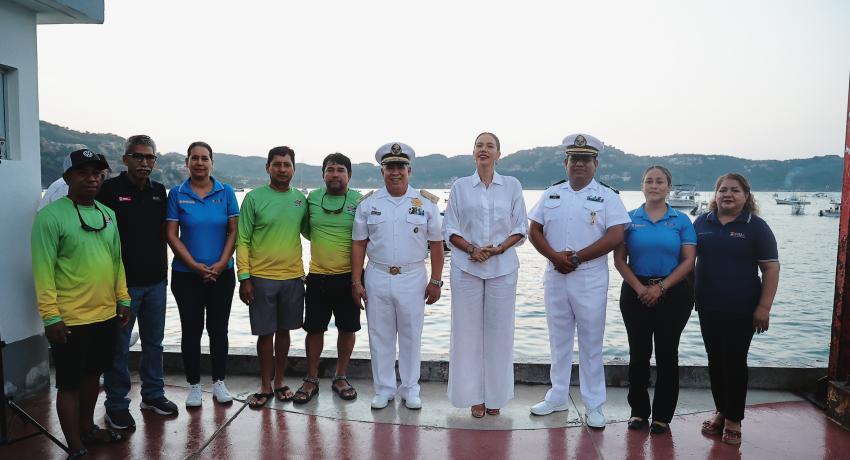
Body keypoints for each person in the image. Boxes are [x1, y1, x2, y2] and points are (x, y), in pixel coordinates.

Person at [31, 149, 131, 458]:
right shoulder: (50, 217)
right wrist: (50, 317)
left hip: (104, 315)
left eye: (97, 173)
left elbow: (116, 261)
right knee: (69, 385)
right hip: (70, 319)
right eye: (83, 172)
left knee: (93, 377)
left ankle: (88, 429)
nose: (92, 178)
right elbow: (43, 270)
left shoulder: (107, 214)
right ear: (67, 177)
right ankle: (75, 446)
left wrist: (123, 298)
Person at [527, 133, 630, 428]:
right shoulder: (551, 194)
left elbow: (616, 235)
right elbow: (535, 230)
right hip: (555, 275)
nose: (579, 165)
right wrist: (555, 257)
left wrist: (576, 258)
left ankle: (594, 404)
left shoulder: (609, 197)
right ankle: (557, 396)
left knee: (590, 342)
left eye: (586, 160)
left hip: (589, 278)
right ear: (565, 162)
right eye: (574, 159)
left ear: (595, 163)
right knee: (558, 340)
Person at [351, 142, 444, 410]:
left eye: (400, 167)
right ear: (382, 171)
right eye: (390, 167)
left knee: (411, 335)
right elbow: (359, 244)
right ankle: (383, 389)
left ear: (409, 170)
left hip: (413, 276)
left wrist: (436, 280)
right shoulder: (368, 203)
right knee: (379, 335)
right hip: (377, 274)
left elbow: (436, 244)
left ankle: (411, 389)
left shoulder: (425, 203)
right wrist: (356, 282)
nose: (395, 172)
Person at [442, 132, 527, 418]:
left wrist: (499, 248)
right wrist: (471, 249)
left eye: (490, 146)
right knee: (466, 333)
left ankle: (495, 396)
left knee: (500, 333)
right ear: (473, 152)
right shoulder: (460, 187)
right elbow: (449, 228)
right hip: (467, 267)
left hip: (502, 268)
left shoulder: (512, 186)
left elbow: (520, 227)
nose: (484, 150)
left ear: (499, 154)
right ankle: (473, 397)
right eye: (479, 145)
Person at [97, 135, 178, 429]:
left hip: (156, 282)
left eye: (150, 158)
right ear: (126, 159)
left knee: (154, 344)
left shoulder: (159, 191)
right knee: (118, 347)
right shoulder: (109, 190)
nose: (145, 163)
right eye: (138, 156)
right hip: (122, 286)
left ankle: (153, 395)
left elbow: (167, 234)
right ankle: (116, 404)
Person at [694, 173, 779, 445]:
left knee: (734, 361)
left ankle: (734, 419)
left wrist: (764, 307)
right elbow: (686, 261)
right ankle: (721, 410)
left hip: (743, 309)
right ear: (715, 195)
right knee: (715, 361)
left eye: (735, 190)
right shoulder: (701, 223)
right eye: (722, 190)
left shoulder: (757, 227)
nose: (727, 195)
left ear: (746, 196)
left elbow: (770, 268)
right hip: (707, 306)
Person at [613, 165, 696, 434]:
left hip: (673, 293)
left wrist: (661, 287)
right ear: (642, 186)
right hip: (635, 290)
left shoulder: (681, 220)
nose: (654, 185)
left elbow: (688, 261)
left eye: (660, 181)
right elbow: (619, 259)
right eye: (649, 181)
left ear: (668, 187)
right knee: (638, 354)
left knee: (667, 354)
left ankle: (662, 415)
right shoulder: (629, 219)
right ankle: (638, 411)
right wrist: (639, 288)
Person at [165, 141, 238, 407]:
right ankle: (194, 385)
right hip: (186, 276)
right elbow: (172, 235)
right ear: (187, 162)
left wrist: (220, 264)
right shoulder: (176, 193)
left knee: (218, 329)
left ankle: (219, 381)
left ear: (211, 163)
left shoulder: (226, 191)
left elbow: (233, 231)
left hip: (222, 274)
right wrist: (195, 266)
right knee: (191, 330)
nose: (199, 162)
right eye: (194, 158)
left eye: (204, 158)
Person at [236, 146, 307, 408]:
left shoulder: (301, 200)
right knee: (265, 334)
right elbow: (242, 239)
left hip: (292, 276)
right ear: (268, 167)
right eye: (276, 164)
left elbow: (312, 231)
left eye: (287, 164)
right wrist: (244, 277)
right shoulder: (254, 198)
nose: (282, 169)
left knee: (285, 331)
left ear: (293, 169)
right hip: (261, 276)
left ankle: (280, 381)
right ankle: (265, 384)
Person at [296, 153, 363, 403]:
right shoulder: (312, 198)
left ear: (349, 175)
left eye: (340, 170)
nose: (335, 174)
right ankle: (311, 378)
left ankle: (341, 376)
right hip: (317, 276)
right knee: (314, 329)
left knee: (348, 327)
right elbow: (305, 229)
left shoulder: (360, 200)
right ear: (323, 174)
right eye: (330, 170)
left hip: (350, 277)